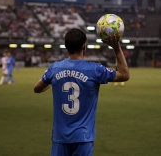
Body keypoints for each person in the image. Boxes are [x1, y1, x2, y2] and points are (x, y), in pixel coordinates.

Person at [34, 28, 130, 156]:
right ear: (84, 47)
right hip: (83, 137)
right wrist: (116, 47)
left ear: (66, 46)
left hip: (60, 137)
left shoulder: (55, 68)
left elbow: (37, 88)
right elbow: (124, 75)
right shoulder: (95, 70)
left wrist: (54, 82)